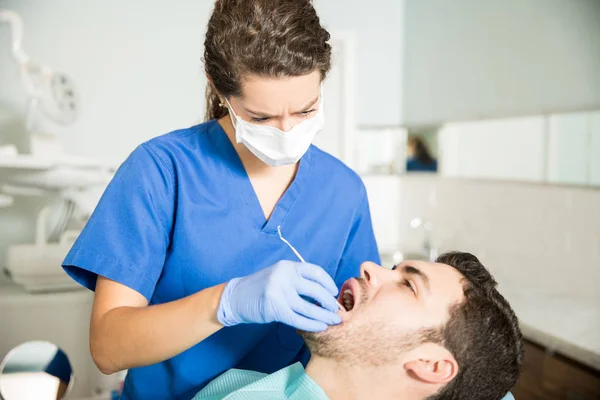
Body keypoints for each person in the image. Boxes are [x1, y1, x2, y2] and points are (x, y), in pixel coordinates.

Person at [61, 1, 379, 399]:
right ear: (218, 88)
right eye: (261, 118)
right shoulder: (162, 171)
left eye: (305, 110)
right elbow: (108, 348)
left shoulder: (342, 191)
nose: (287, 132)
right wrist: (226, 302)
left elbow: (362, 339)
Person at [192, 252, 523, 400]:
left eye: (409, 286)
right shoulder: (233, 390)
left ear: (430, 364)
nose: (369, 267)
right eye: (396, 268)